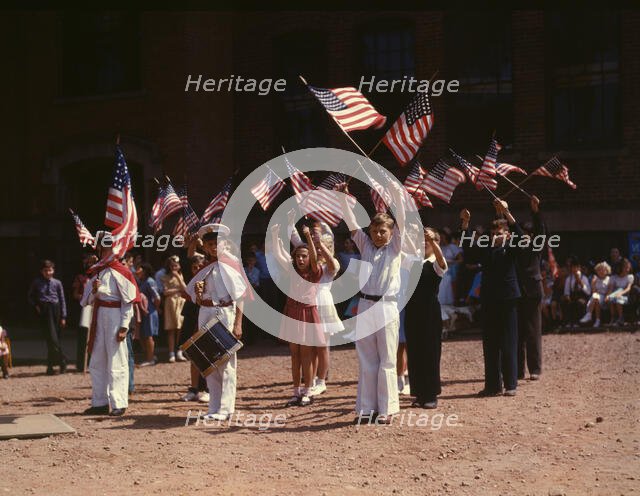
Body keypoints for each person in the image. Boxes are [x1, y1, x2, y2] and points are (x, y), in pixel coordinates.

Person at [339, 182, 406, 424]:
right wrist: (345, 197)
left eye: (383, 231)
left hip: (387, 306)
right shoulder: (365, 245)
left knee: (387, 358)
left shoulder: (395, 248)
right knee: (367, 358)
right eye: (375, 231)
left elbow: (402, 222)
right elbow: (351, 223)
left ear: (390, 233)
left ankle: (387, 409)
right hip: (365, 305)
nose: (379, 235)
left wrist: (396, 197)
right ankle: (366, 408)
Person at [460, 199, 524, 397]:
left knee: (509, 341)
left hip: (508, 299)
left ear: (507, 235)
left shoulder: (512, 248)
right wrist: (465, 224)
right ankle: (492, 385)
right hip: (489, 299)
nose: (496, 236)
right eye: (494, 233)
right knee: (490, 343)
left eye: (500, 233)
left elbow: (520, 235)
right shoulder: (486, 249)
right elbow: (468, 250)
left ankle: (511, 384)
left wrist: (507, 212)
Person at [185, 223, 247, 421]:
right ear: (205, 247)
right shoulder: (205, 268)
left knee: (225, 361)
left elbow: (240, 296)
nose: (213, 247)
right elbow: (194, 295)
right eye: (210, 244)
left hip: (224, 313)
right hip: (206, 311)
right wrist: (198, 294)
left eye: (217, 243)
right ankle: (214, 406)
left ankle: (226, 407)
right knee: (208, 360)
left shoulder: (230, 265)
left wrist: (238, 323)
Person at [80, 233, 140, 416]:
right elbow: (86, 300)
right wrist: (95, 291)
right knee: (97, 361)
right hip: (99, 317)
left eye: (107, 247)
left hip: (115, 315)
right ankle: (99, 401)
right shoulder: (97, 271)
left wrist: (124, 326)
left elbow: (127, 301)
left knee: (117, 360)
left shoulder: (122, 271)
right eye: (102, 247)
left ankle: (118, 402)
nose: (104, 251)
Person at [272, 223, 323, 407]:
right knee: (295, 356)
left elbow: (316, 258)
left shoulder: (315, 273)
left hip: (308, 312)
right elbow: (279, 255)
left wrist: (308, 237)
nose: (301, 259)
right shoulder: (292, 271)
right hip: (293, 313)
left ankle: (308, 391)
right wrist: (275, 236)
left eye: (304, 256)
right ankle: (296, 392)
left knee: (307, 355)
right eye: (298, 256)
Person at [404, 227, 447, 408]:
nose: (424, 242)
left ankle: (431, 394)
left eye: (428, 240)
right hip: (412, 310)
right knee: (414, 351)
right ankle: (419, 393)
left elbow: (442, 263)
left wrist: (433, 242)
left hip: (430, 312)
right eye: (422, 239)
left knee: (430, 351)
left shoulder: (435, 263)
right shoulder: (412, 261)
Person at [515, 195, 545, 381]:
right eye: (523, 233)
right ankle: (518, 370)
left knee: (533, 331)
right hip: (517, 292)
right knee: (517, 333)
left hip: (533, 292)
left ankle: (535, 369)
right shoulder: (515, 249)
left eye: (529, 233)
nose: (526, 236)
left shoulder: (536, 248)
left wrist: (536, 212)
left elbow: (541, 230)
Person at [28, 260, 68, 375]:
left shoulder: (57, 283)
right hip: (45, 311)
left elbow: (62, 299)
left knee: (55, 340)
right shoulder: (37, 282)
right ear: (42, 271)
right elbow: (30, 296)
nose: (48, 273)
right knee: (50, 339)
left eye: (50, 270)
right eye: (46, 271)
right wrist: (36, 305)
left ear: (53, 270)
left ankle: (51, 366)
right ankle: (61, 361)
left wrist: (64, 316)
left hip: (56, 310)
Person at [179, 254, 209, 403]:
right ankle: (194, 388)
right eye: (194, 267)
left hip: (206, 316)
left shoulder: (210, 280)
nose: (197, 269)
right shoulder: (190, 281)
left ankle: (207, 389)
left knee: (207, 354)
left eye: (199, 267)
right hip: (191, 316)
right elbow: (187, 256)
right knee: (193, 353)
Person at [72, 254, 98, 372]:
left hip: (98, 308)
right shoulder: (81, 278)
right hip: (86, 309)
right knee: (84, 336)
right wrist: (86, 298)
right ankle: (81, 364)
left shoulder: (100, 276)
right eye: (88, 262)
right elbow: (75, 294)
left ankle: (94, 363)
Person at [161, 255, 187, 362]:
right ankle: (171, 352)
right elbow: (165, 292)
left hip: (180, 302)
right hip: (170, 303)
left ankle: (179, 351)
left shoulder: (180, 276)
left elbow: (185, 289)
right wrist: (177, 290)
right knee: (171, 328)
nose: (174, 268)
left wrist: (178, 278)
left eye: (176, 266)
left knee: (180, 328)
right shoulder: (166, 277)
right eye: (172, 266)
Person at [136, 263, 160, 366]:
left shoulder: (150, 281)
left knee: (149, 335)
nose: (137, 271)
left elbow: (157, 297)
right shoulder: (141, 281)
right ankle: (150, 356)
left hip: (149, 311)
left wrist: (156, 308)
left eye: (139, 268)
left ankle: (150, 359)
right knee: (144, 335)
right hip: (144, 312)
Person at [580, 261, 611, 328]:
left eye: (603, 270)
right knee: (596, 298)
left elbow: (609, 290)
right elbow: (593, 292)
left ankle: (589, 315)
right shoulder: (595, 279)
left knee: (596, 298)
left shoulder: (609, 279)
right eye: (599, 270)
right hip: (595, 297)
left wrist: (607, 296)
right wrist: (593, 284)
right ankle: (597, 320)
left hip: (604, 297)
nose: (601, 271)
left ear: (607, 271)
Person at [562, 257, 590, 328]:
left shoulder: (584, 278)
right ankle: (569, 322)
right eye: (573, 267)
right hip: (573, 297)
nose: (574, 269)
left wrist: (580, 282)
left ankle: (578, 323)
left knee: (580, 303)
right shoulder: (569, 278)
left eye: (576, 267)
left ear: (579, 268)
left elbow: (588, 292)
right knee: (566, 302)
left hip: (583, 297)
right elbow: (567, 291)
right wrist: (567, 296)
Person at [606, 258, 634, 326]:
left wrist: (621, 293)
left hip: (625, 296)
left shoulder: (630, 277)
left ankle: (621, 318)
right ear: (621, 267)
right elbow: (610, 289)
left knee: (618, 298)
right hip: (615, 295)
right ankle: (613, 318)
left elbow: (628, 288)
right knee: (609, 298)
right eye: (625, 267)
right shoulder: (613, 277)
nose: (627, 269)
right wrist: (607, 296)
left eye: (628, 267)